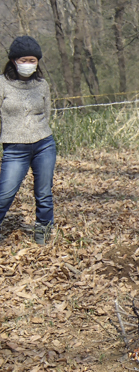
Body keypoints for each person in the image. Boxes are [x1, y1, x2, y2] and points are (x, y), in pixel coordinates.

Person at [0, 36, 56, 245]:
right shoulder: (2, 84)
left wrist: (37, 131)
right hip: (14, 148)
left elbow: (47, 114)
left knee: (43, 193)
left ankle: (43, 231)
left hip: (44, 144)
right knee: (5, 194)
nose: (28, 64)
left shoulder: (42, 85)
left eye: (33, 60)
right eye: (24, 60)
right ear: (14, 61)